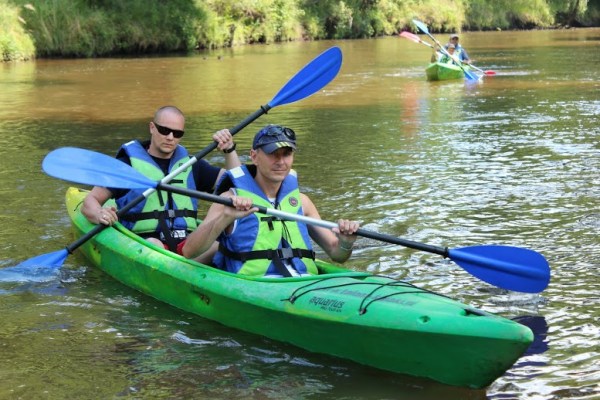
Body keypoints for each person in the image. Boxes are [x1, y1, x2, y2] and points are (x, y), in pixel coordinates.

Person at [181, 124, 360, 277]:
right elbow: (189, 251)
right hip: (255, 284)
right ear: (254, 156)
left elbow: (337, 255)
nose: (281, 161)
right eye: (273, 153)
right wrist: (225, 218)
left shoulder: (302, 202)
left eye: (287, 154)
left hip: (304, 282)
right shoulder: (229, 200)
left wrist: (346, 242)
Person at [81, 105, 241, 257]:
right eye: (164, 130)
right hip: (143, 244)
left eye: (177, 133)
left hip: (187, 246)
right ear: (152, 127)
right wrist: (99, 214)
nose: (170, 137)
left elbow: (238, 185)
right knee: (154, 244)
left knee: (222, 245)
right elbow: (91, 200)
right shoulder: (126, 166)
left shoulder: (191, 165)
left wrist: (229, 149)